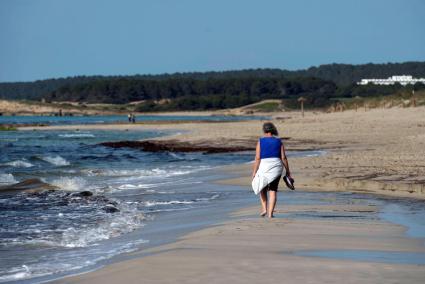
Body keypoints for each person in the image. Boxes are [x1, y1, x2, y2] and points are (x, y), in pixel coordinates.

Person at [252, 122, 291, 218]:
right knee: (273, 190)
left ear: (264, 130)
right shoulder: (279, 141)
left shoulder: (260, 141)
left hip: (264, 166)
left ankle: (264, 208)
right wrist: (288, 171)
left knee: (262, 187)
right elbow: (283, 157)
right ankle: (270, 214)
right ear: (273, 130)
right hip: (276, 166)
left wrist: (254, 171)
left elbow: (257, 158)